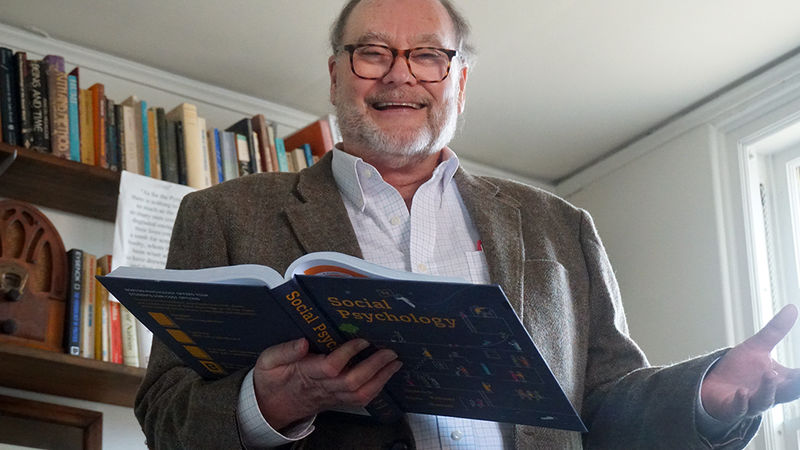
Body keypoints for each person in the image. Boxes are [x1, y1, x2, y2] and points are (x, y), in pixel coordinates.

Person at [135, 0, 800, 448]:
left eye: (428, 56)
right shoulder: (221, 215)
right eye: (372, 53)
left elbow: (605, 404)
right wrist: (268, 402)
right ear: (336, 75)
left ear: (460, 82)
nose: (400, 75)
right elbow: (165, 415)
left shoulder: (561, 228)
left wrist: (707, 392)